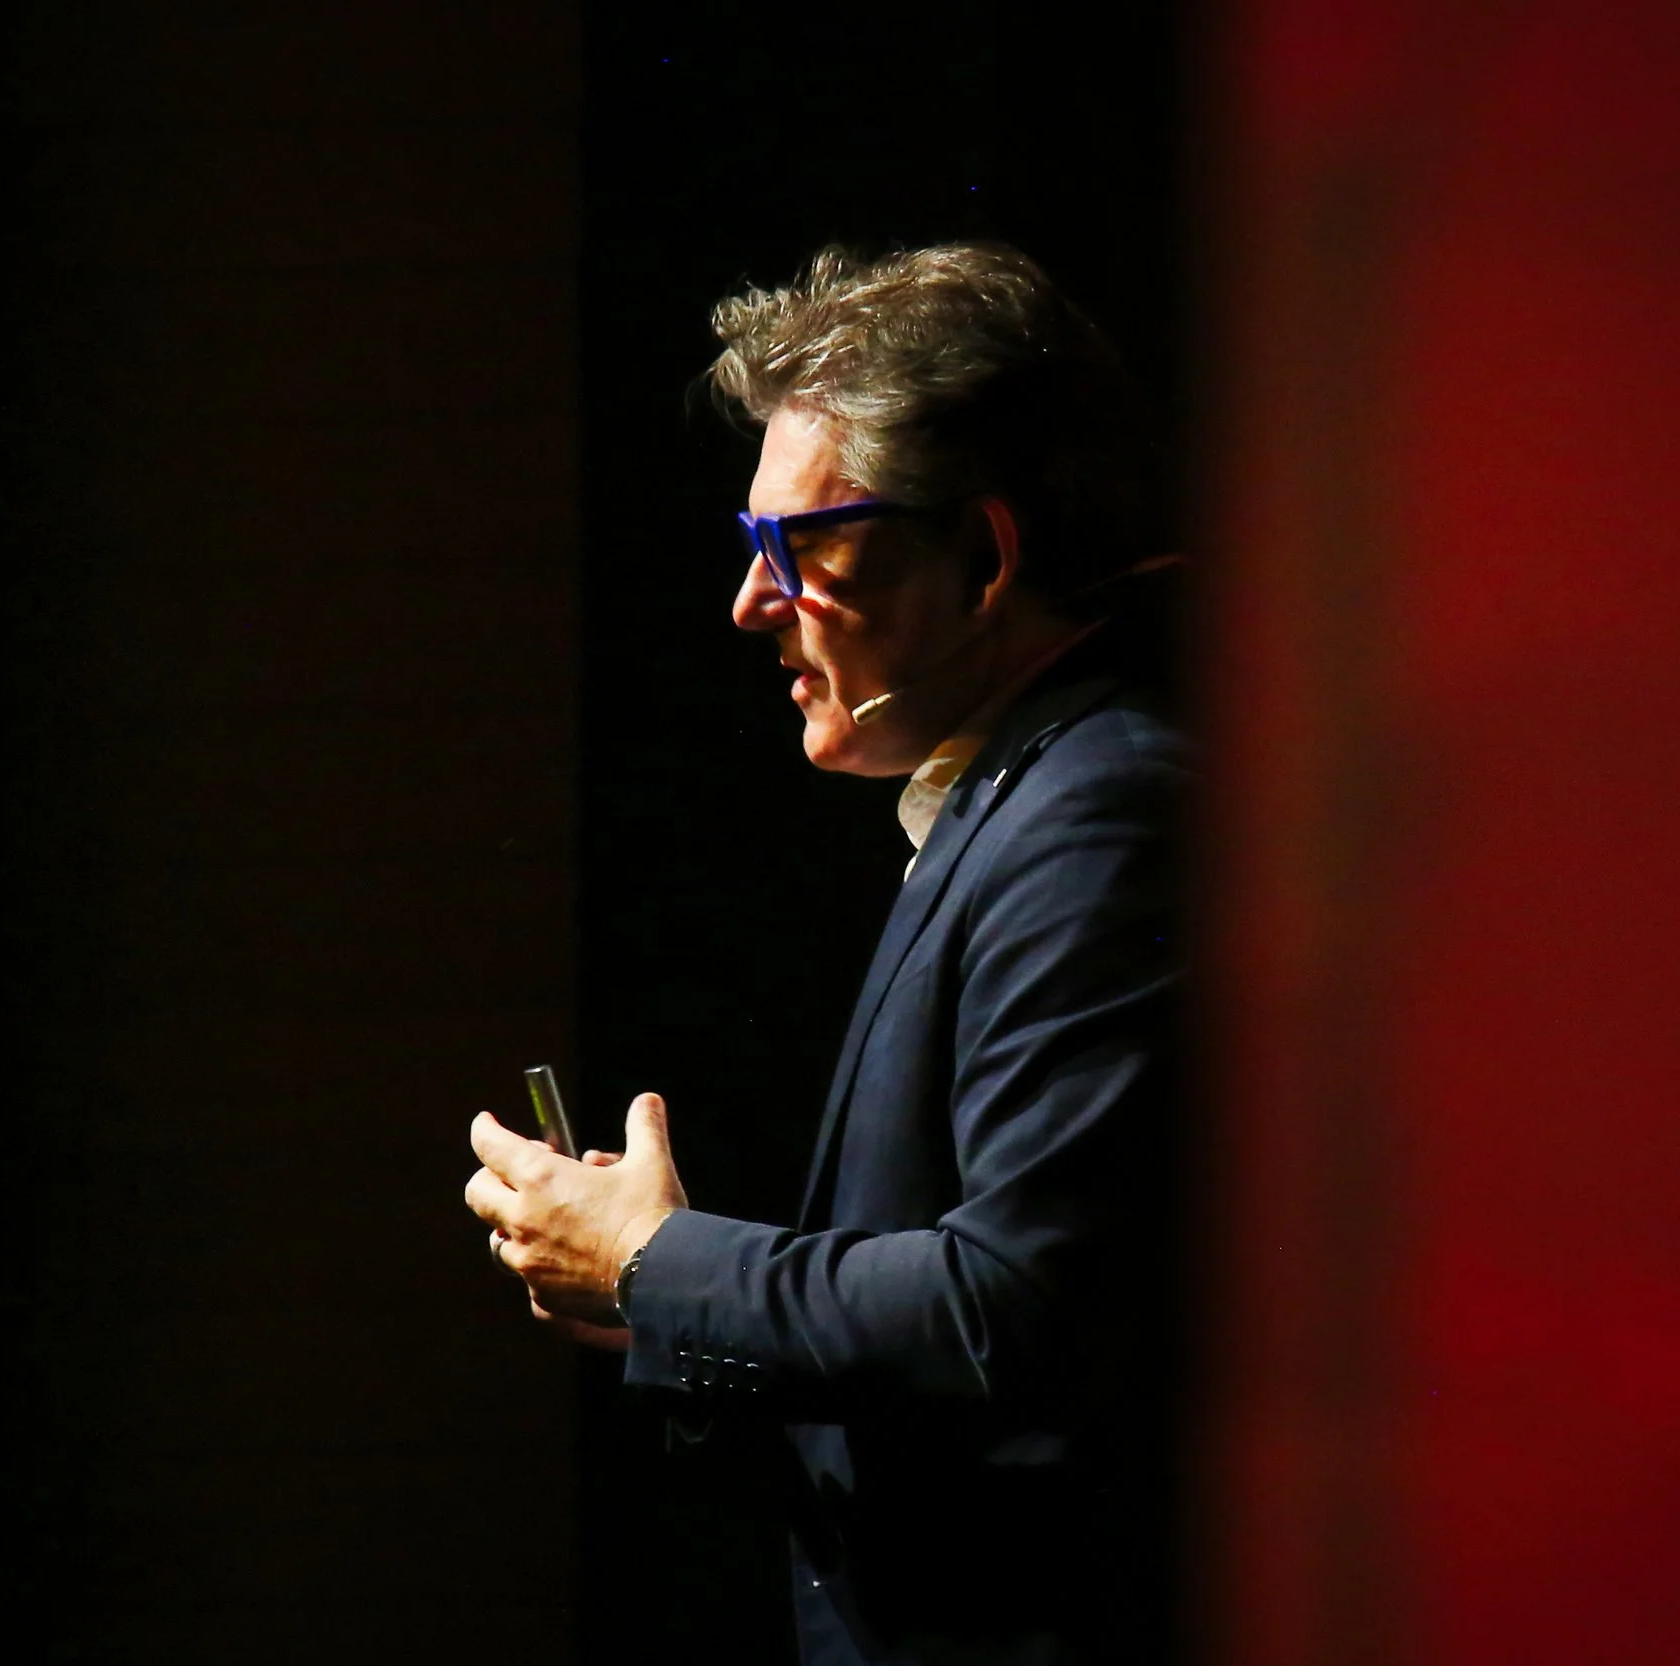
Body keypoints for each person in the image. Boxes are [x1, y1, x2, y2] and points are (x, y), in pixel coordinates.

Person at [464, 243, 1188, 1665]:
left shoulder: (1097, 811)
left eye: (800, 547)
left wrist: (660, 1262)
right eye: (754, 545)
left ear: (984, 556)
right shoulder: (1024, 789)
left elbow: (1012, 1311)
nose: (752, 601)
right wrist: (654, 1291)